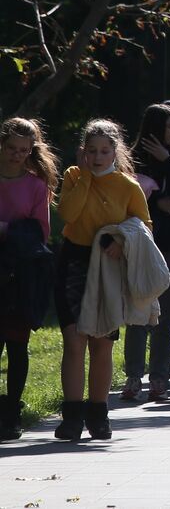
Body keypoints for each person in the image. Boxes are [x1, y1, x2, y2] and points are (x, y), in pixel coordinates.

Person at [54, 120, 152, 441]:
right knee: (74, 341)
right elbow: (68, 214)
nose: (97, 157)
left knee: (101, 345)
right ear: (83, 151)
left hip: (108, 267)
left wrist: (121, 241)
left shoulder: (128, 185)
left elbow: (143, 226)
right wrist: (84, 176)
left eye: (104, 151)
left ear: (115, 152)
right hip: (73, 262)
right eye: (92, 151)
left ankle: (98, 413)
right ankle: (71, 415)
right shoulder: (72, 175)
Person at [122, 103, 170, 404]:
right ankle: (133, 377)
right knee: (139, 312)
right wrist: (157, 206)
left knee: (167, 315)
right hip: (143, 243)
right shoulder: (132, 159)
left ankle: (158, 378)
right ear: (154, 128)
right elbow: (124, 199)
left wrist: (167, 160)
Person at [0, 118, 60, 441]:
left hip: (20, 274)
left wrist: (7, 230)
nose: (16, 156)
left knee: (17, 345)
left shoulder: (37, 186)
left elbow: (42, 233)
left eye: (24, 151)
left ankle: (11, 412)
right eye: (11, 149)